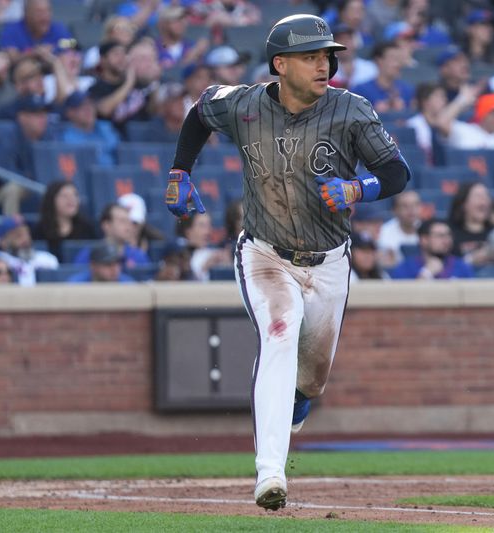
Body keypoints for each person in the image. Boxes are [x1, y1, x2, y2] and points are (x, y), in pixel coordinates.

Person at [163, 14, 410, 510]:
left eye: (327, 56)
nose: (325, 65)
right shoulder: (244, 104)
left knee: (313, 378)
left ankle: (297, 402)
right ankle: (270, 472)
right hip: (265, 252)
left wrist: (360, 188)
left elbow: (397, 173)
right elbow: (199, 112)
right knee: (279, 330)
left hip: (329, 261)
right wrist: (179, 170)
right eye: (312, 56)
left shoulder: (351, 111)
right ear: (280, 64)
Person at [32, 180, 97, 261]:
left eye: (75, 195)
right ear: (52, 200)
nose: (71, 200)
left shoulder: (87, 228)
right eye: (65, 196)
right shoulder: (40, 230)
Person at [389, 218, 474, 279]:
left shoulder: (462, 267)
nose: (446, 240)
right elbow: (403, 301)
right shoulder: (405, 268)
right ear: (424, 240)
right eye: (440, 236)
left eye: (448, 235)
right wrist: (426, 274)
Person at [73, 203, 150, 267]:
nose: (128, 226)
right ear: (106, 225)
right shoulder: (89, 254)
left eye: (129, 221)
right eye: (122, 221)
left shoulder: (139, 256)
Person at [60, 91, 121, 167]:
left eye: (90, 104)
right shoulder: (66, 138)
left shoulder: (106, 128)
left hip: (114, 176)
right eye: (81, 106)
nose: (88, 109)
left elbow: (120, 153)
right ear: (70, 112)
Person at [351, 41, 414, 114]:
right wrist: (374, 113)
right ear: (379, 60)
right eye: (393, 58)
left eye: (399, 59)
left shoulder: (407, 91)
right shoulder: (360, 91)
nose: (398, 64)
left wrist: (403, 112)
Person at [0, 0, 73, 60]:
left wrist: (54, 47)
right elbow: (12, 58)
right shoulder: (12, 30)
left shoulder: (58, 28)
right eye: (39, 12)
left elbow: (72, 43)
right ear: (26, 13)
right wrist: (34, 53)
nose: (45, 16)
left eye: (48, 11)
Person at [0, 215, 59, 285]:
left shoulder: (48, 259)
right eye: (18, 235)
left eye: (27, 233)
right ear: (3, 241)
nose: (25, 239)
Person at [447, 181, 492, 266]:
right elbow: (446, 267)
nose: (484, 201)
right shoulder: (449, 232)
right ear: (463, 204)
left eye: (486, 196)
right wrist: (471, 259)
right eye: (478, 196)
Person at [377, 190, 422, 268]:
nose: (411, 210)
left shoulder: (429, 231)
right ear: (395, 210)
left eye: (415, 205)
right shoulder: (383, 232)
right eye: (405, 206)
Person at [67, 241, 136, 283]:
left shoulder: (128, 284)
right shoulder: (76, 285)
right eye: (108, 264)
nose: (114, 269)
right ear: (93, 266)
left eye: (118, 263)